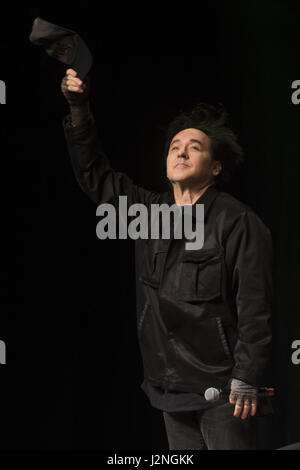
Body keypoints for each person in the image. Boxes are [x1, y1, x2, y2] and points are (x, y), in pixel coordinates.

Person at [60, 69, 273, 450]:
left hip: (224, 391)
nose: (182, 151)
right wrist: (78, 108)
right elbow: (96, 177)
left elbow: (255, 308)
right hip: (169, 390)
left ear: (216, 166)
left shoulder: (237, 221)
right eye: (175, 145)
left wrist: (247, 377)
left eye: (195, 146)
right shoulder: (147, 214)